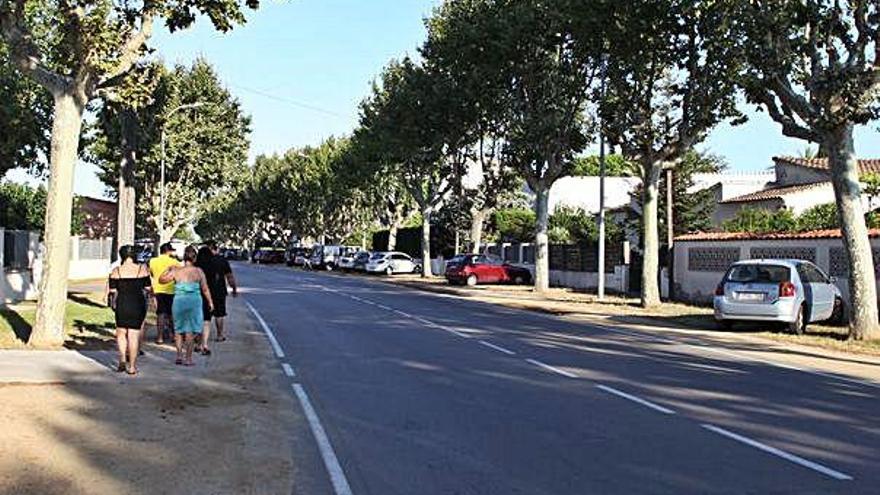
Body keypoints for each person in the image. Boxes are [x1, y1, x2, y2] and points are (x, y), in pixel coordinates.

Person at [160, 245, 213, 366]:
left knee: (178, 329)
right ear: (194, 259)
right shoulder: (199, 271)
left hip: (179, 301)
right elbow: (205, 289)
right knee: (190, 330)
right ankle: (188, 359)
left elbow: (161, 280)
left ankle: (179, 355)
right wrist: (210, 302)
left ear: (184, 258)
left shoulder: (177, 271)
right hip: (194, 302)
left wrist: (168, 269)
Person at [108, 245, 151, 375]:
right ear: (134, 255)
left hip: (122, 304)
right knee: (133, 335)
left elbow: (112, 290)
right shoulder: (142, 270)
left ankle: (122, 359)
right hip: (137, 304)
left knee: (121, 333)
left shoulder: (116, 271)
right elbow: (148, 288)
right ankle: (132, 366)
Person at [206, 240, 238, 342]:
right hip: (219, 291)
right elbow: (229, 276)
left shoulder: (203, 260)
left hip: (205, 290)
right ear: (217, 249)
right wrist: (234, 288)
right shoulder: (222, 260)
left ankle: (202, 338)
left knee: (206, 315)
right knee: (219, 314)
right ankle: (219, 335)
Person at [149, 243, 180, 344]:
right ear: (169, 251)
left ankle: (160, 337)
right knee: (172, 314)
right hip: (172, 290)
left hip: (158, 290)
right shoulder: (175, 262)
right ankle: (174, 336)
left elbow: (151, 274)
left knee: (160, 314)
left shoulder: (152, 261)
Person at [194, 246, 216, 355]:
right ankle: (205, 344)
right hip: (209, 294)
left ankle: (198, 344)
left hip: (196, 295)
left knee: (197, 320)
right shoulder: (213, 266)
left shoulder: (196, 267)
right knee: (206, 321)